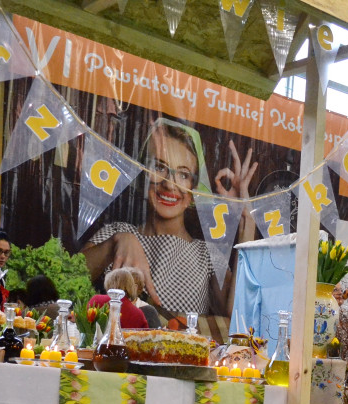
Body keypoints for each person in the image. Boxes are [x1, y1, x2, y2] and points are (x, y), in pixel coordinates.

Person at [83, 119, 257, 319]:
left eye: (183, 175)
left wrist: (247, 221)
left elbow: (238, 313)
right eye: (159, 167)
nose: (170, 184)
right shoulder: (115, 233)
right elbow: (66, 281)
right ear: (144, 175)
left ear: (193, 189)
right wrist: (116, 242)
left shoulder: (206, 255)